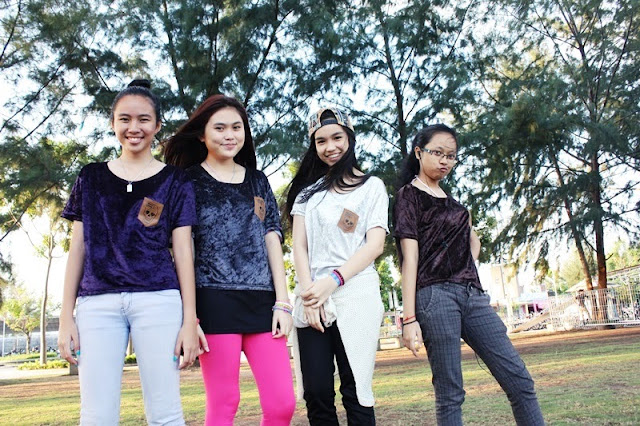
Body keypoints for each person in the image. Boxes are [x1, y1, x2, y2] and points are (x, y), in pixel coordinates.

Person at [57, 79, 203, 425]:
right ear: (113, 123)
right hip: (97, 304)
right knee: (96, 415)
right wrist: (65, 317)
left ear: (157, 126)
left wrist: (189, 320)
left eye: (143, 119)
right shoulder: (91, 177)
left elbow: (184, 252)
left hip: (159, 301)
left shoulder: (176, 181)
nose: (133, 127)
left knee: (166, 413)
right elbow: (77, 248)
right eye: (124, 119)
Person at [393, 124, 545, 426]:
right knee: (451, 393)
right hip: (434, 297)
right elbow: (410, 258)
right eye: (438, 153)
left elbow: (474, 242)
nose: (445, 160)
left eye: (451, 155)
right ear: (419, 152)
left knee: (519, 381)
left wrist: (462, 265)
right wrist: (408, 319)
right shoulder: (408, 196)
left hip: (472, 296)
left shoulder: (454, 204)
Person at [163, 94, 295, 426]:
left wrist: (283, 302)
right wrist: (189, 316)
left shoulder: (258, 180)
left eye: (237, 127)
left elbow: (272, 237)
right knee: (225, 404)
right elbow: (183, 249)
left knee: (282, 404)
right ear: (202, 134)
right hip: (214, 302)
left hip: (263, 304)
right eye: (219, 128)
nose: (229, 135)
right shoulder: (187, 182)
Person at [284, 107, 388, 425]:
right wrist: (310, 295)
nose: (330, 147)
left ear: (350, 138)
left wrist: (334, 280)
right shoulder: (306, 195)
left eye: (337, 138)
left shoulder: (371, 187)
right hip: (313, 299)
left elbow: (375, 245)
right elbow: (299, 247)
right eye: (321, 141)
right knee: (316, 393)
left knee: (356, 391)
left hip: (356, 295)